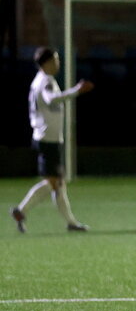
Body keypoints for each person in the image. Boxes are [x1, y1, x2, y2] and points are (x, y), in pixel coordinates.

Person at [10, 47, 93, 233]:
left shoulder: (40, 81)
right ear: (46, 63)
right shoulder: (45, 81)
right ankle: (20, 210)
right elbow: (52, 99)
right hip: (47, 138)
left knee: (58, 183)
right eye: (55, 60)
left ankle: (71, 222)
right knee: (53, 182)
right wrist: (77, 90)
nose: (58, 63)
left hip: (48, 137)